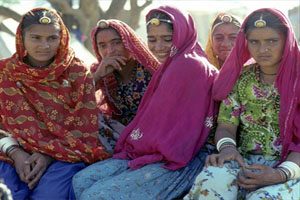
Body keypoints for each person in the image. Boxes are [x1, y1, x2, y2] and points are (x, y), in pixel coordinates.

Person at [73, 5, 218, 199]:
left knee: (95, 195)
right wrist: (98, 76)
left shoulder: (187, 66)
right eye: (152, 39)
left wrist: (141, 149)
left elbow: (181, 135)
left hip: (180, 157)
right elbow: (75, 102)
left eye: (167, 39)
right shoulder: (168, 65)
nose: (158, 46)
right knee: (80, 181)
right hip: (150, 146)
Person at [184, 8, 300, 200]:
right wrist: (228, 149)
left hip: (291, 166)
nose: (263, 49)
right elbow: (226, 126)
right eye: (255, 42)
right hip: (243, 161)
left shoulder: (297, 78)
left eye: (272, 41)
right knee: (212, 181)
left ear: (286, 40)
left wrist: (279, 174)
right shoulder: (241, 78)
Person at [0, 8, 110, 200]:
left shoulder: (76, 73)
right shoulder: (5, 73)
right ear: (22, 37)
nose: (44, 45)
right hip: (10, 154)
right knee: (9, 193)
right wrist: (16, 153)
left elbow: (84, 129)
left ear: (62, 38)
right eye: (36, 38)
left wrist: (48, 155)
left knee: (49, 195)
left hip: (64, 157)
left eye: (52, 38)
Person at [90, 19, 159, 153]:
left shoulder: (149, 67)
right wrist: (98, 76)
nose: (110, 51)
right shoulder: (99, 70)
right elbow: (77, 100)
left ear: (128, 42)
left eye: (116, 42)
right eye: (102, 46)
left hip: (154, 131)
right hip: (121, 134)